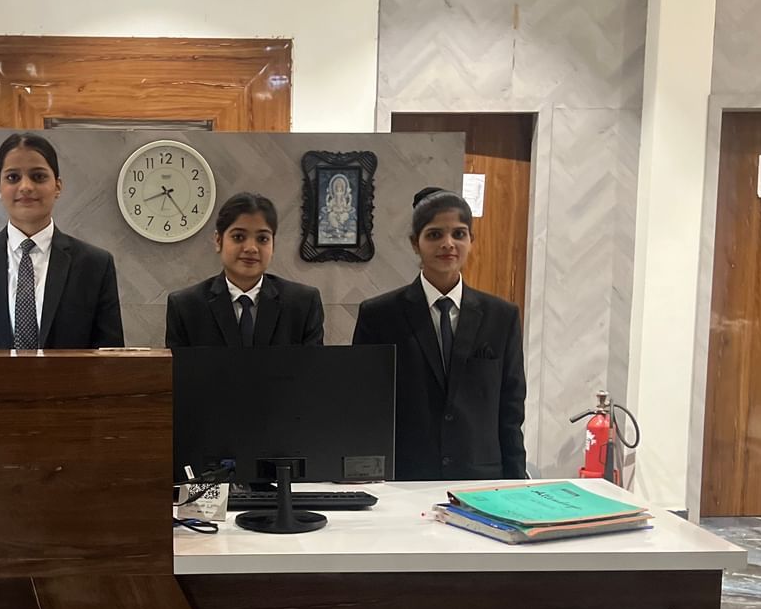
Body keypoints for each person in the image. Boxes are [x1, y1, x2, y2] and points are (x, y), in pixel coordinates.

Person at [351, 187, 526, 480]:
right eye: (434, 235)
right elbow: (363, 405)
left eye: (459, 234)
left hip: (481, 479)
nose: (448, 244)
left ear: (472, 240)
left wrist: (516, 481)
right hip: (405, 478)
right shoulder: (379, 316)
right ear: (415, 244)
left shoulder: (502, 317)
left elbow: (510, 409)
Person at [0, 133, 123, 349]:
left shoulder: (95, 265)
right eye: (13, 177)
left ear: (58, 187)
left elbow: (110, 359)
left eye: (38, 176)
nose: (25, 186)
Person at [165, 192, 323, 348]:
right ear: (218, 240)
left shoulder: (303, 304)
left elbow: (314, 371)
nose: (251, 248)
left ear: (273, 245)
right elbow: (177, 372)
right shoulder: (186, 307)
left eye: (262, 239)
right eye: (239, 237)